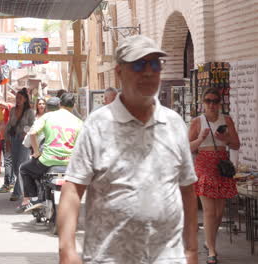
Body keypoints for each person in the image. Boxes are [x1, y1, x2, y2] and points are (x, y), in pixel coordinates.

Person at [58, 35, 198, 264]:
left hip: (168, 258)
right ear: (119, 72)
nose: (149, 72)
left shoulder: (174, 124)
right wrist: (67, 250)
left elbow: (187, 190)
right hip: (110, 257)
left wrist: (191, 250)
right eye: (139, 64)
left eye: (155, 64)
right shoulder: (98, 125)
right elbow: (72, 189)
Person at [188, 88, 240, 264]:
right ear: (203, 103)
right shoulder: (197, 122)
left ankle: (209, 242)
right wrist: (201, 139)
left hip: (221, 166)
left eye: (215, 101)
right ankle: (211, 249)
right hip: (204, 166)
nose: (212, 104)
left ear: (220, 103)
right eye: (208, 101)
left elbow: (236, 145)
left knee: (218, 213)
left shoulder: (227, 120)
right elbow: (187, 148)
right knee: (210, 212)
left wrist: (225, 138)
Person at [18, 93, 82, 212]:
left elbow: (32, 133)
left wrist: (36, 152)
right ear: (73, 106)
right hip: (70, 163)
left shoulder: (47, 117)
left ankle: (34, 198)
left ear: (60, 104)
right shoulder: (78, 122)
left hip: (47, 161)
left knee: (24, 169)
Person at [7, 88, 35, 202]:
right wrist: (7, 140)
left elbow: (33, 126)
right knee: (14, 165)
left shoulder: (29, 112)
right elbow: (9, 125)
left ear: (25, 100)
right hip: (13, 139)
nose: (17, 100)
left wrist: (26, 131)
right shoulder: (13, 110)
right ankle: (22, 188)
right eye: (16, 98)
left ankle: (17, 192)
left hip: (24, 140)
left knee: (20, 165)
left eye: (20, 98)